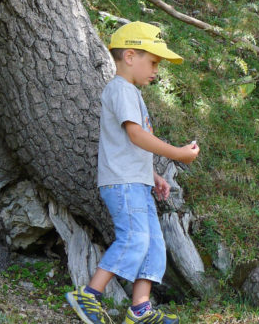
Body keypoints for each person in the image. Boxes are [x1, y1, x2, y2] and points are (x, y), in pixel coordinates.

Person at [65, 21, 200, 324]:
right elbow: (136, 136)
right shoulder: (121, 90)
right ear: (129, 56)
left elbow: (129, 145)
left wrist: (152, 174)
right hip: (122, 183)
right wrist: (178, 154)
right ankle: (88, 296)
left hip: (135, 181)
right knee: (134, 240)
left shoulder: (130, 92)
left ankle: (140, 309)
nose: (156, 69)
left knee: (152, 244)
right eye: (152, 62)